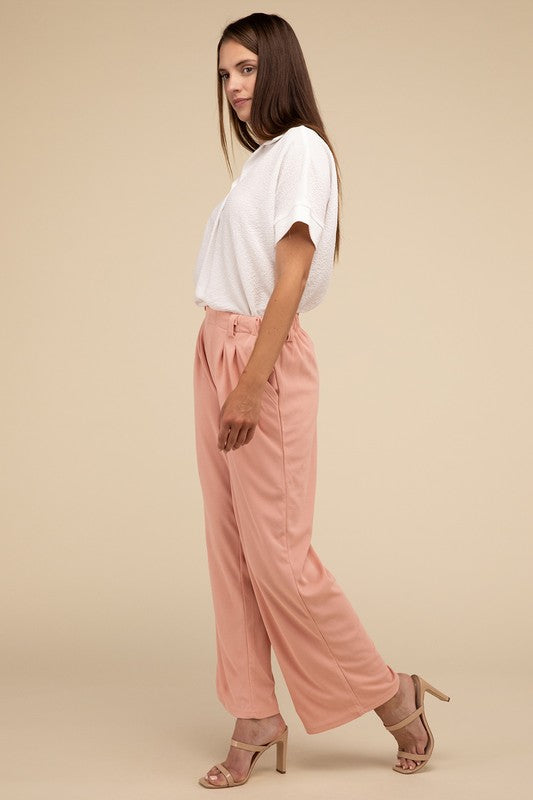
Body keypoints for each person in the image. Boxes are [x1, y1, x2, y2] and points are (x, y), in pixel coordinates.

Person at [192, 12, 450, 790]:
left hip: (257, 357)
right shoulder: (261, 163)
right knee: (231, 551)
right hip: (216, 343)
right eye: (224, 74)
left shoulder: (300, 150)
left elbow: (293, 275)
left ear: (277, 69)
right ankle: (254, 712)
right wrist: (221, 365)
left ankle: (387, 690)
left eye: (245, 70)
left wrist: (248, 380)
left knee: (278, 557)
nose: (234, 87)